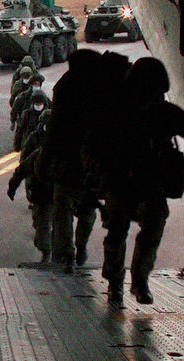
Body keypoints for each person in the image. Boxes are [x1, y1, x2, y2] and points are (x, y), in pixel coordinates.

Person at [83, 57, 184, 305]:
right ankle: (115, 283)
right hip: (120, 180)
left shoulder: (163, 112)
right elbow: (92, 146)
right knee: (117, 230)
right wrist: (96, 175)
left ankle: (140, 280)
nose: (153, 98)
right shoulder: (116, 111)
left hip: (150, 182)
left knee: (153, 227)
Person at [38, 49, 131, 273]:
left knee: (64, 208)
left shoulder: (66, 87)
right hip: (92, 162)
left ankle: (68, 254)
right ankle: (79, 247)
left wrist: (44, 161)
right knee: (87, 208)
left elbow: (55, 129)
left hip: (68, 160)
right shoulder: (103, 87)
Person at [7, 108, 54, 262]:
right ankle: (47, 249)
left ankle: (51, 253)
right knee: (42, 224)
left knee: (52, 226)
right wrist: (12, 187)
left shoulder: (60, 147)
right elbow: (23, 167)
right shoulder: (36, 142)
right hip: (43, 193)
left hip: (57, 195)